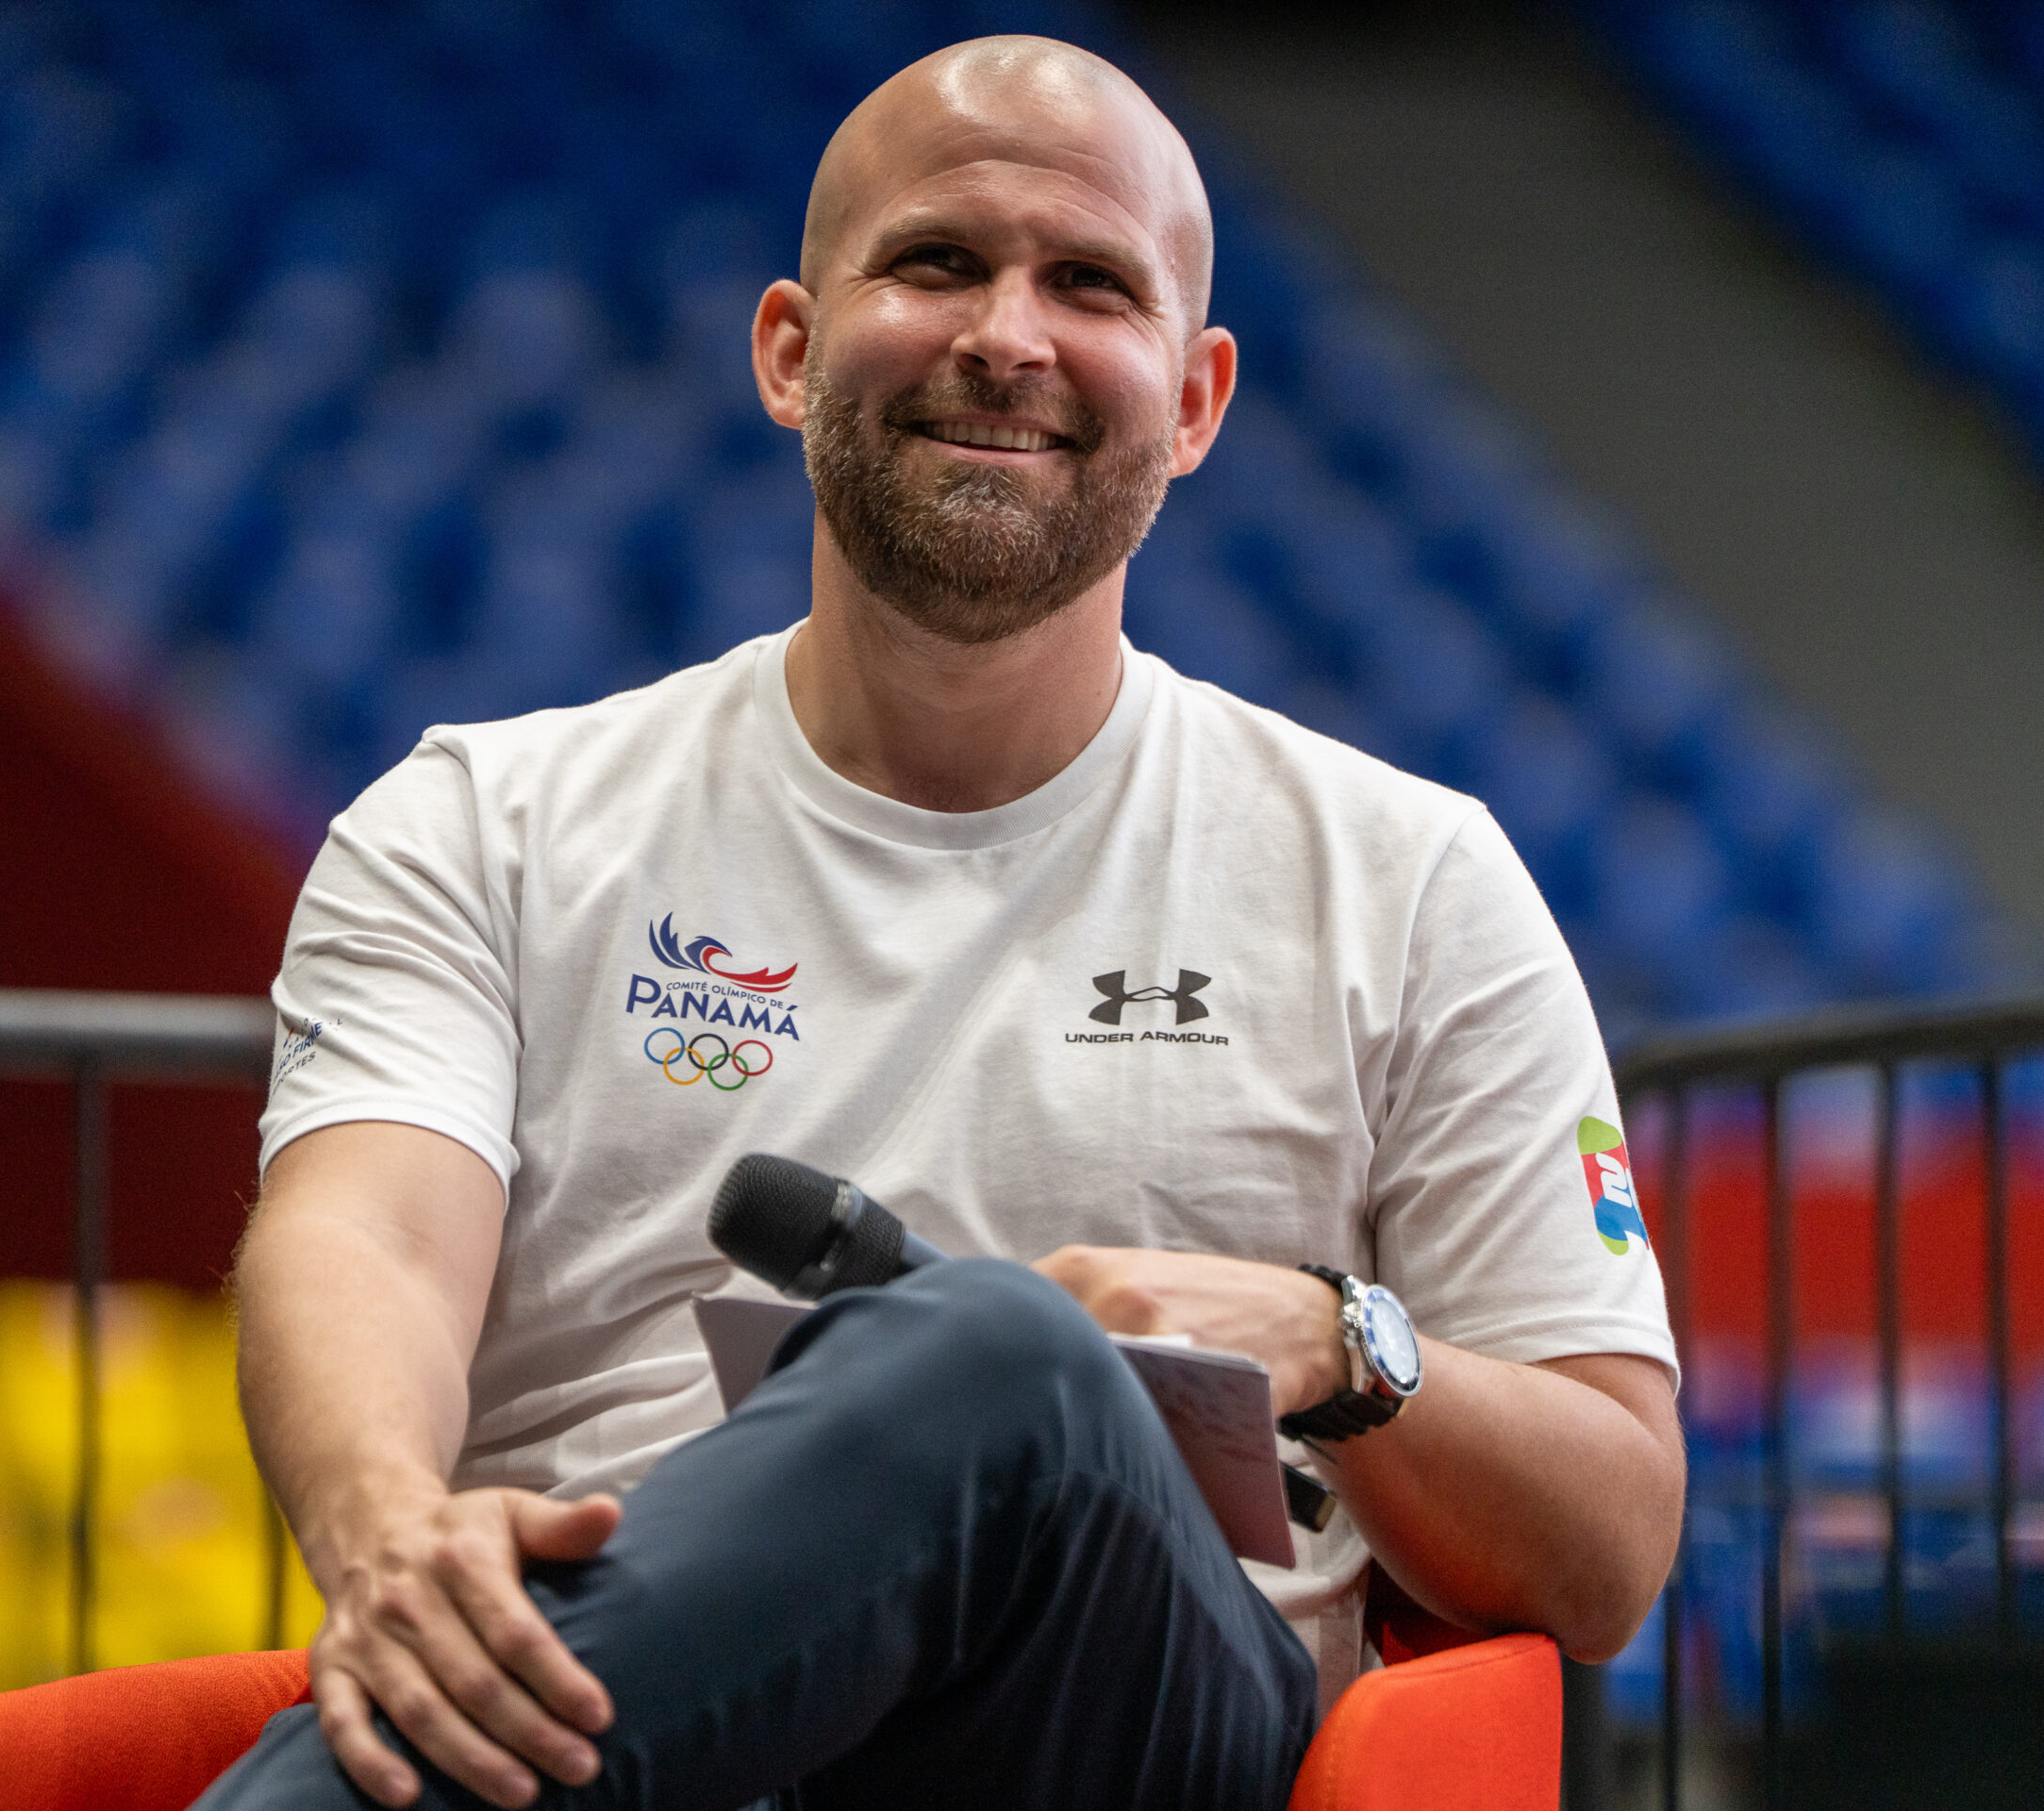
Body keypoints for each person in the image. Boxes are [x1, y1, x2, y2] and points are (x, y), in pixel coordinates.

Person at [204, 34, 1684, 1811]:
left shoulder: (1410, 877)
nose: (1007, 335)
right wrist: (384, 1532)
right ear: (789, 349)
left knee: (1001, 1358)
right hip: (614, 1736)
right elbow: (364, 1238)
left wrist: (1333, 1338)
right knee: (975, 1357)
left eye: (1090, 285)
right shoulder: (478, 824)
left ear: (1196, 399)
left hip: (1120, 1743)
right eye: (935, 261)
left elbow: (1611, 1544)